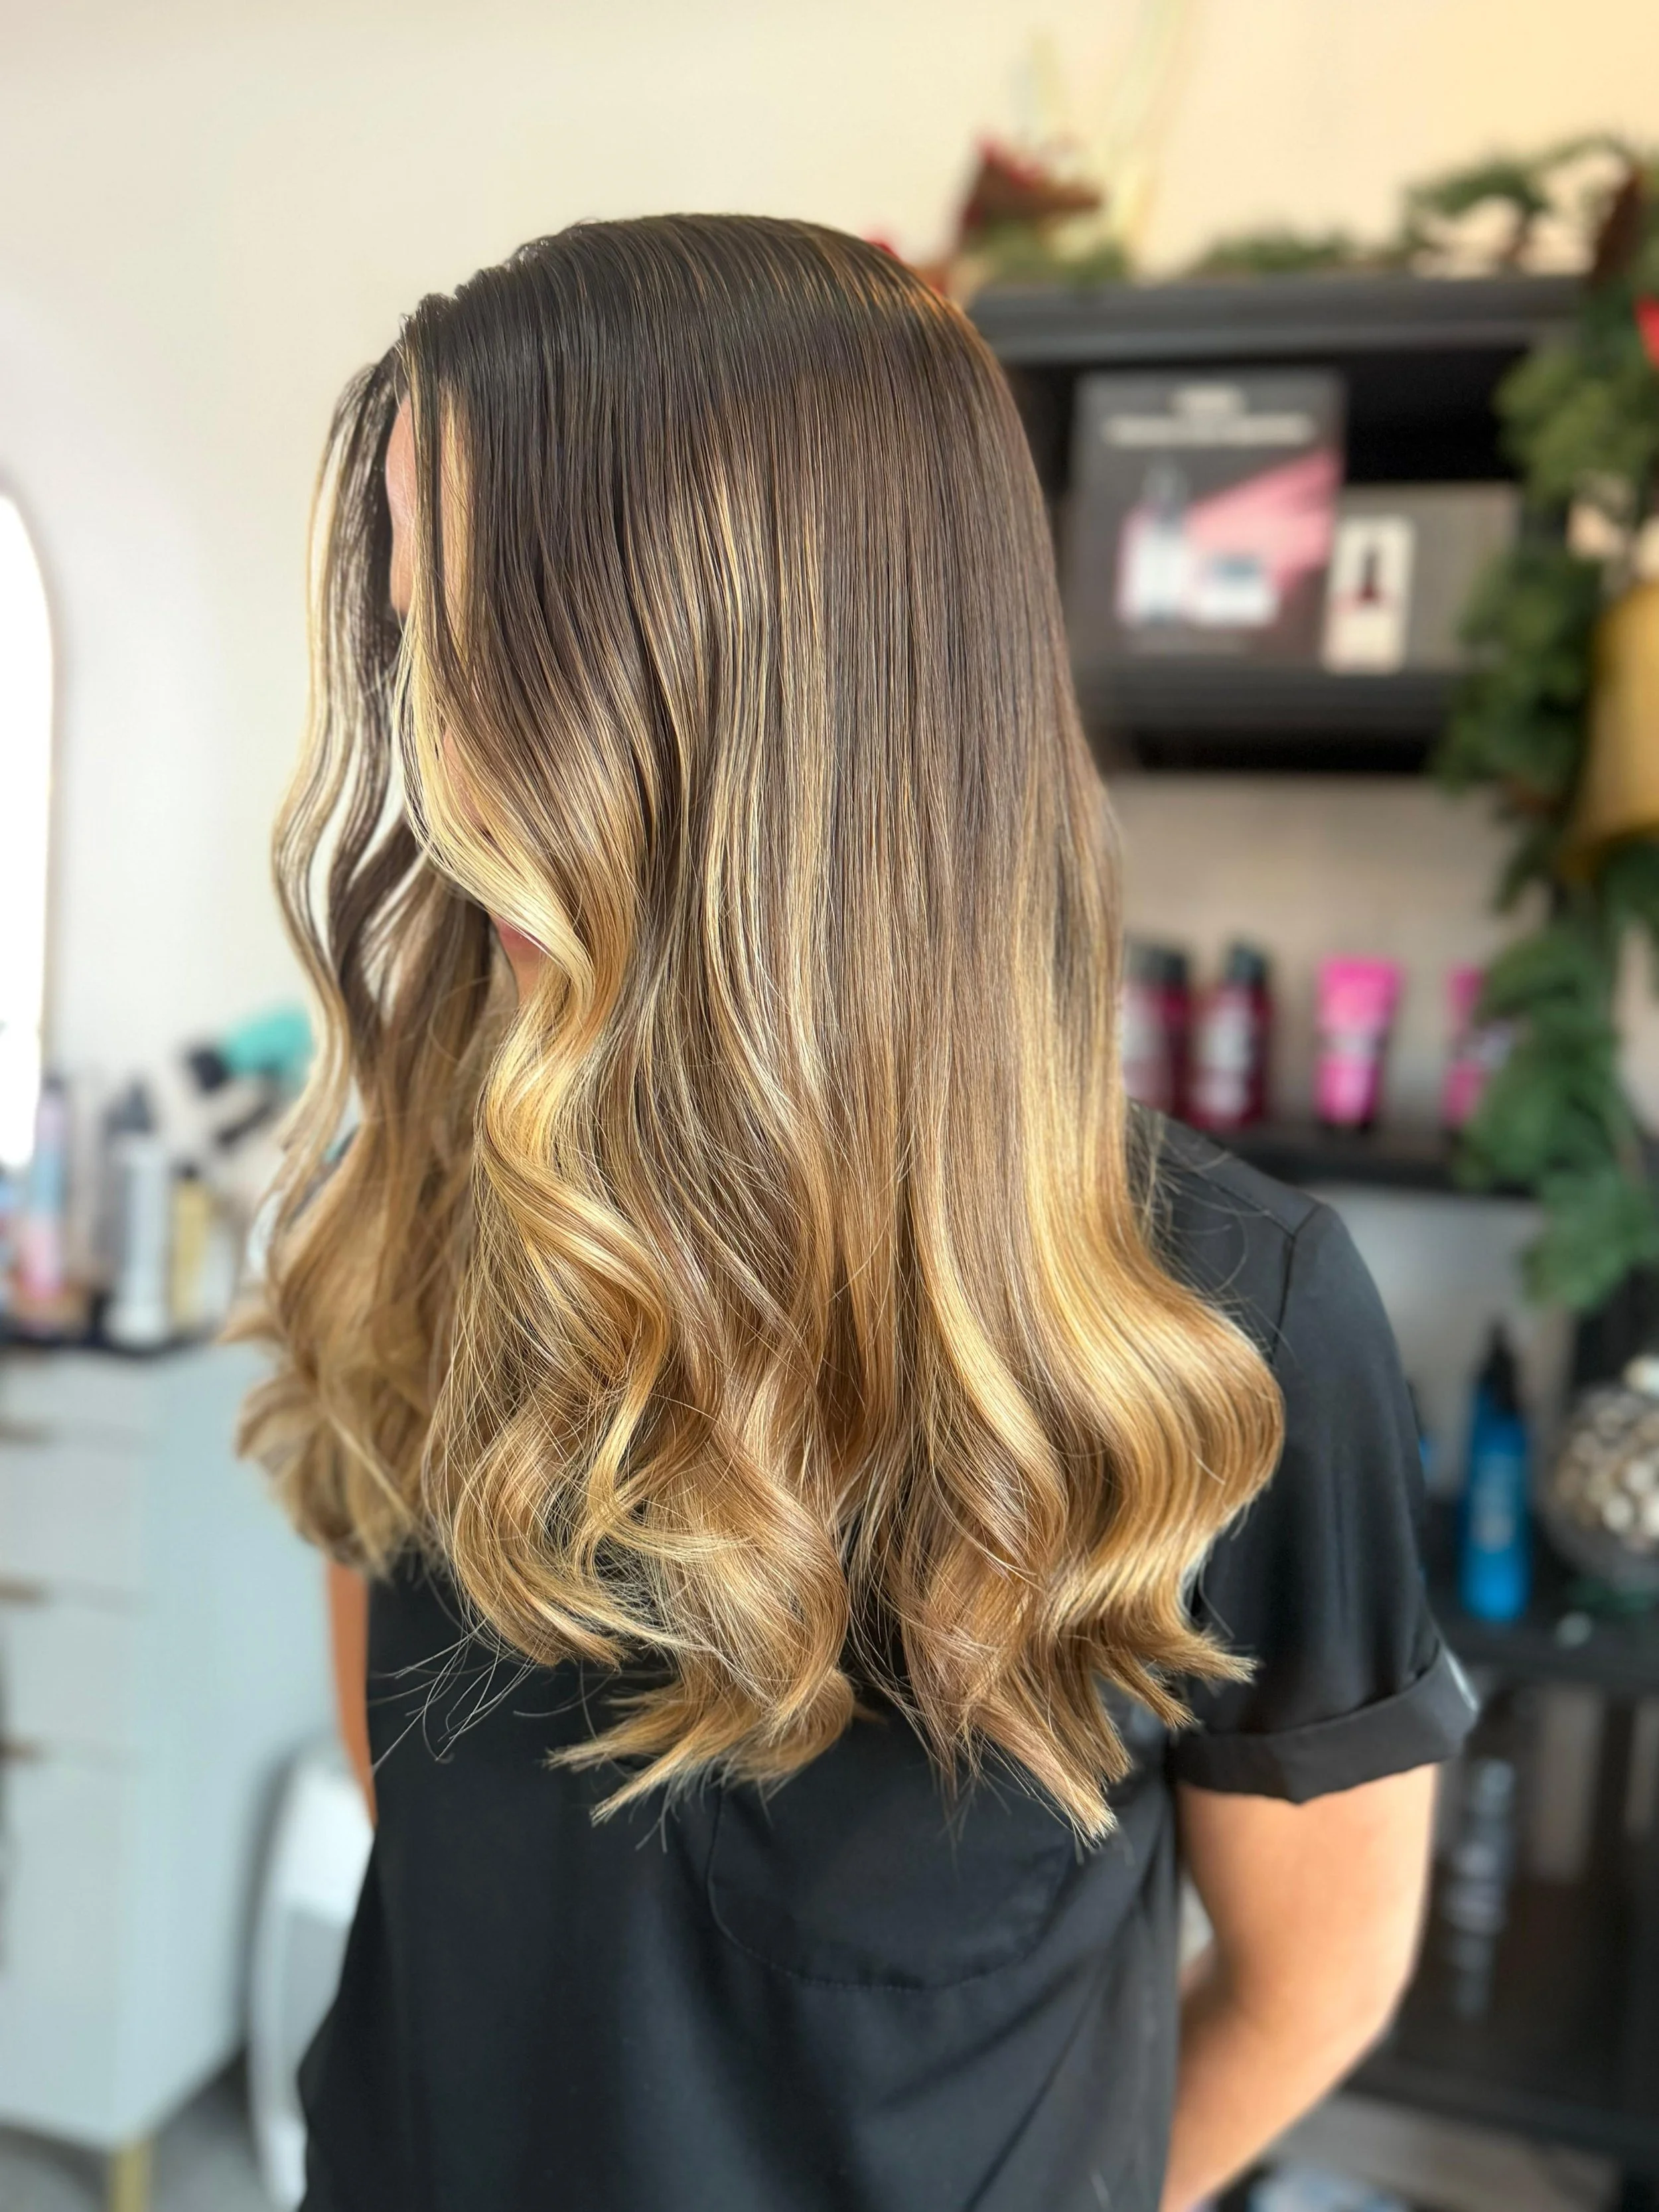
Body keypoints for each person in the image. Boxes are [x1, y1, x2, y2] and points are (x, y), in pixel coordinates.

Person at [240, 215, 1475, 2212]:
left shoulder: (1217, 1325)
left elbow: (1315, 1975)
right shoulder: (416, 1203)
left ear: (761, 692)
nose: (430, 742)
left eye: (490, 639)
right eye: (410, 616)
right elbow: (426, 1813)